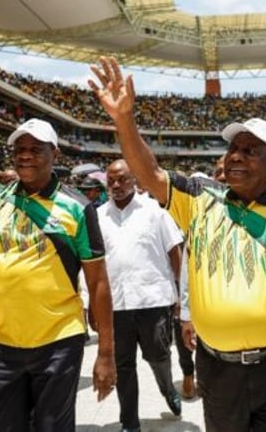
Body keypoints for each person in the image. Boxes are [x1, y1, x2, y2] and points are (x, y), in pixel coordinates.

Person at [89, 56, 266, 431]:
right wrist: (124, 119)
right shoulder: (200, 198)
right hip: (218, 371)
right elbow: (150, 174)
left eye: (251, 150)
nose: (236, 156)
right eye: (233, 148)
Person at [0, 117, 117, 431]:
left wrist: (106, 352)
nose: (25, 155)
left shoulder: (76, 208)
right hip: (4, 343)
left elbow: (98, 281)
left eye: (35, 149)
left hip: (59, 342)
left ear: (55, 154)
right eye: (20, 149)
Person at [98, 159, 183, 431]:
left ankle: (168, 388)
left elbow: (174, 251)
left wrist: (180, 293)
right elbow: (94, 264)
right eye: (111, 180)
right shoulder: (98, 216)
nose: (116, 185)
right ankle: (129, 422)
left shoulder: (154, 211)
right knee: (123, 366)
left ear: (134, 179)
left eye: (122, 179)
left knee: (158, 355)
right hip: (116, 304)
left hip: (153, 299)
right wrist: (91, 303)